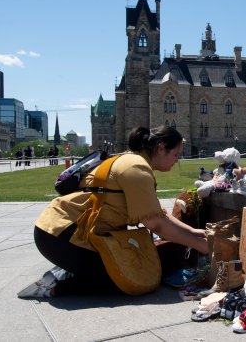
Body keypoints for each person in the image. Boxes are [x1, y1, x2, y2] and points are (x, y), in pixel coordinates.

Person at [18, 126, 208, 298]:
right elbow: (155, 224)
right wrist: (202, 246)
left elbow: (158, 214)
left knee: (130, 272)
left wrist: (194, 233)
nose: (177, 160)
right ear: (160, 148)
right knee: (127, 280)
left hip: (61, 231)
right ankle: (54, 286)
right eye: (176, 154)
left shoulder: (131, 161)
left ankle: (69, 270)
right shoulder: (136, 168)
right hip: (62, 235)